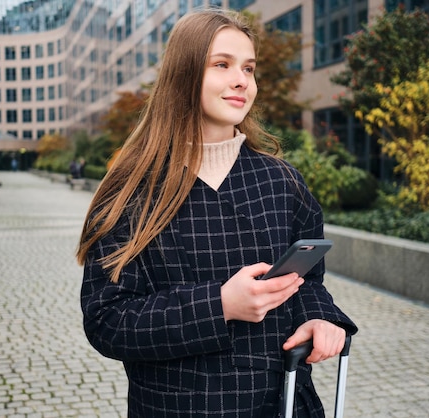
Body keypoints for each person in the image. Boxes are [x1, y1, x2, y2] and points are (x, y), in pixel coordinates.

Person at [77, 9, 357, 417]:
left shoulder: (283, 182)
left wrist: (320, 318)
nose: (241, 80)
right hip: (176, 406)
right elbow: (108, 321)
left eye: (249, 68)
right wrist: (221, 304)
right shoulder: (131, 190)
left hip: (280, 402)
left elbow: (308, 279)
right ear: (184, 75)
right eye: (221, 65)